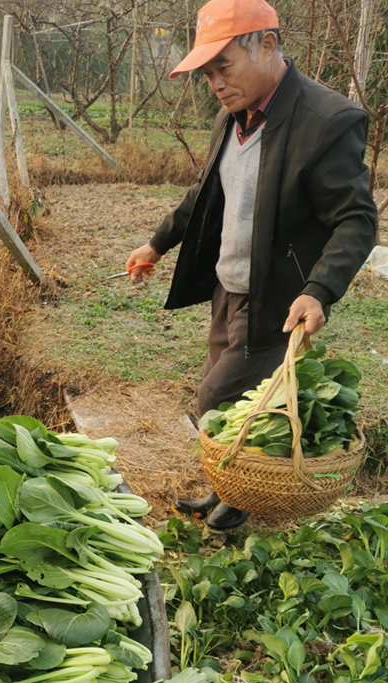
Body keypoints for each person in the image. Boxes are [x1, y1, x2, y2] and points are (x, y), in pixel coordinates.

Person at [126, 0, 377, 532]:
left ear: (266, 45)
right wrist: (156, 244)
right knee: (236, 399)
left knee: (215, 400)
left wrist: (320, 290)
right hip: (228, 287)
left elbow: (356, 220)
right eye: (208, 73)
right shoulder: (234, 115)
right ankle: (232, 494)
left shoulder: (325, 122)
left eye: (224, 67)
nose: (215, 84)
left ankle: (237, 495)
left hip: (277, 297)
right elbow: (204, 194)